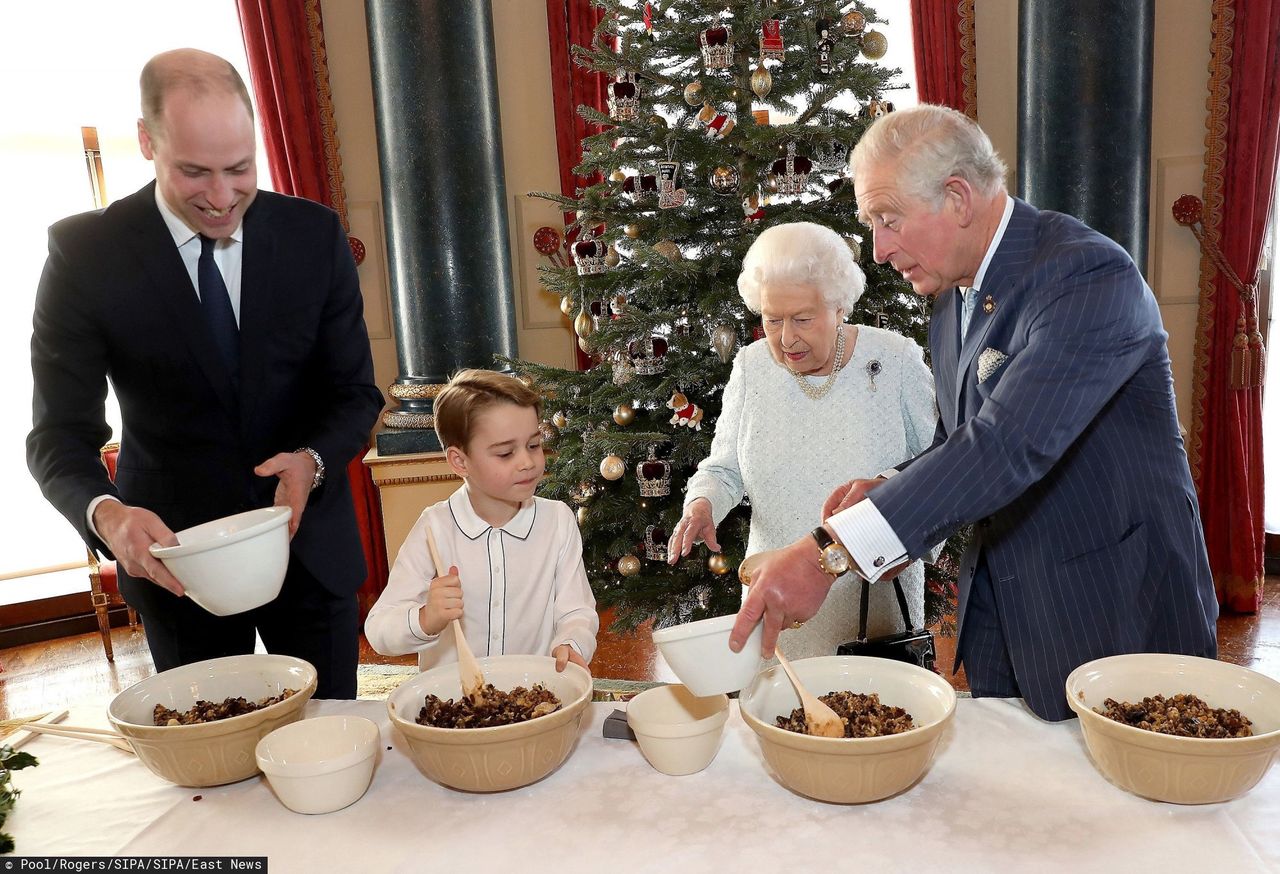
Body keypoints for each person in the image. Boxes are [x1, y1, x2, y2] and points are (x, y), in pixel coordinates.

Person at [729, 105, 1219, 721]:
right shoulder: (954, 295)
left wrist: (829, 552)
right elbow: (958, 442)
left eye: (887, 220)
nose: (878, 250)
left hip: (1112, 606)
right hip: (1007, 614)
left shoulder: (1086, 276)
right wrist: (893, 486)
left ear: (958, 198)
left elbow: (1005, 446)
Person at [26, 49, 384, 699]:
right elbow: (55, 437)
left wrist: (313, 461)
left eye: (239, 170)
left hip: (310, 557)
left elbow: (355, 394)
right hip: (175, 567)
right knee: (211, 774)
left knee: (332, 759)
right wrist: (107, 517)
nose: (222, 198)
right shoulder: (85, 256)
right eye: (194, 173)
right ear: (146, 141)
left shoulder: (314, 237)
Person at [668, 222, 937, 660]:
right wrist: (703, 504)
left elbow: (938, 466)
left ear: (839, 307)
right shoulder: (752, 367)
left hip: (872, 603)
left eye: (803, 319)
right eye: (772, 320)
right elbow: (724, 468)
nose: (786, 338)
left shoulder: (894, 359)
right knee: (778, 718)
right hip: (775, 597)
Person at [365, 369, 598, 672]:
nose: (527, 462)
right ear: (459, 461)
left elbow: (577, 611)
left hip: (534, 697)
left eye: (533, 445)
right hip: (454, 707)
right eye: (505, 453)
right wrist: (427, 617)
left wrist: (571, 642)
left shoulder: (557, 521)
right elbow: (379, 630)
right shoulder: (434, 528)